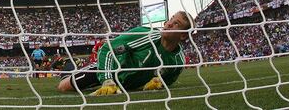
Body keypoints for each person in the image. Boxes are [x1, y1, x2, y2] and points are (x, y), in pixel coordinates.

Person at [57, 11, 193, 95]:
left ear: (183, 36)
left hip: (127, 85)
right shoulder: (145, 35)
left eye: (176, 23)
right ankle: (69, 67)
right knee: (64, 87)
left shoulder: (178, 61)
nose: (169, 24)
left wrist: (160, 82)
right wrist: (107, 79)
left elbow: (170, 78)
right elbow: (107, 49)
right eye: (171, 19)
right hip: (111, 69)